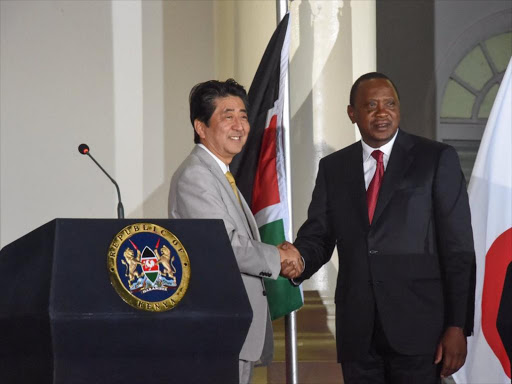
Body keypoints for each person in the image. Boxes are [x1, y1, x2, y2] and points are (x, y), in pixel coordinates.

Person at [281, 72, 476, 383]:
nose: (382, 112)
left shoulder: (436, 159)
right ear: (352, 113)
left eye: (390, 104)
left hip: (420, 330)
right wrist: (299, 259)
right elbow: (318, 233)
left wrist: (457, 325)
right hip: (359, 332)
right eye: (371, 105)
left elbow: (459, 249)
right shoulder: (334, 168)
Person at [168, 79, 303, 384]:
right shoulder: (196, 176)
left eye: (243, 116)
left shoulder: (221, 174)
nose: (239, 125)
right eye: (227, 116)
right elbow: (223, 244)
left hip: (235, 326)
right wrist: (277, 258)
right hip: (218, 326)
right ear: (201, 127)